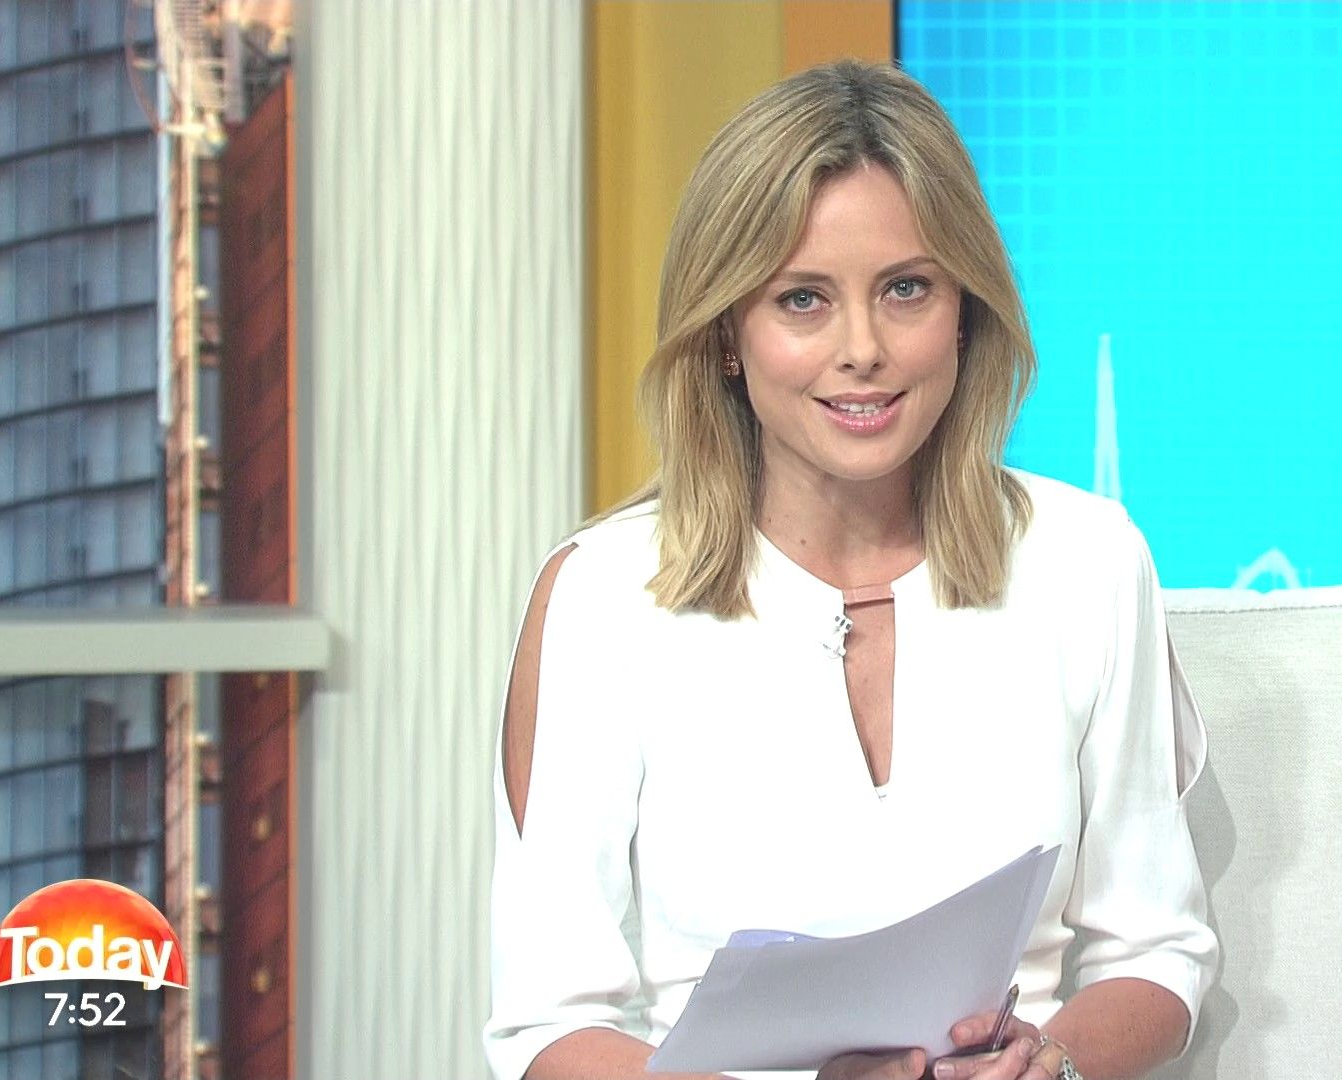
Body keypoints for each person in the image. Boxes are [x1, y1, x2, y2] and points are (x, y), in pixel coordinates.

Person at [484, 59, 1216, 1080]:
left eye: (906, 289)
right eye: (803, 300)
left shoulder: (1088, 561)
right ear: (728, 334)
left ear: (965, 310)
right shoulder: (601, 598)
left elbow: (1159, 952)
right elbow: (545, 1026)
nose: (862, 348)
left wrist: (1049, 1059)